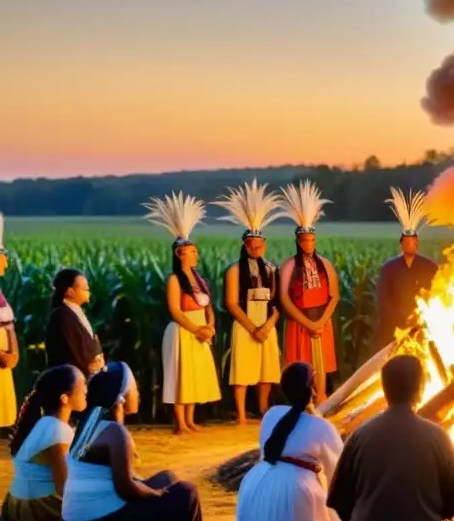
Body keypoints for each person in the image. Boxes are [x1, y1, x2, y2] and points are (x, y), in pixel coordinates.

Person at [328, 354, 454, 521]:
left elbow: (341, 501)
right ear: (420, 389)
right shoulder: (438, 436)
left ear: (384, 389)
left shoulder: (360, 435)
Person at [60, 361, 203, 521]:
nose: (137, 394)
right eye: (134, 389)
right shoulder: (115, 432)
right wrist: (154, 493)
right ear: (121, 397)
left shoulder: (87, 425)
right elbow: (125, 488)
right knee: (187, 492)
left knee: (167, 477)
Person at [237, 362, 344, 521]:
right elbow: (340, 471)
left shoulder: (270, 415)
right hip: (298, 493)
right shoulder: (321, 426)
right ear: (312, 388)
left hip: (257, 486)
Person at [145, 192, 222, 434]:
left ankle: (190, 419)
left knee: (195, 376)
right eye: (193, 251)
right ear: (181, 254)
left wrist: (209, 325)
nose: (197, 255)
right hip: (183, 330)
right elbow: (175, 311)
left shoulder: (198, 279)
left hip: (201, 330)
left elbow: (208, 305)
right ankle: (180, 422)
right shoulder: (174, 280)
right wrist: (197, 329)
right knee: (181, 375)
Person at [215, 181, 283, 425]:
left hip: (267, 322)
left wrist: (268, 325)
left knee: (267, 369)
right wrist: (252, 327)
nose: (255, 248)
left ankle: (264, 409)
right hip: (245, 324)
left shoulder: (272, 269)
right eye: (251, 245)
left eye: (259, 245)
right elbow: (231, 303)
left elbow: (277, 301)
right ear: (244, 245)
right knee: (242, 370)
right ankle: (242, 414)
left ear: (264, 245)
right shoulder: (234, 270)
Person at [1, 366, 87, 521]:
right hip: (37, 506)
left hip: (18, 502)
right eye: (82, 384)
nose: (86, 389)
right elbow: (66, 489)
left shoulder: (45, 424)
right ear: (64, 398)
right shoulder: (56, 431)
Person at [277, 180, 339, 402]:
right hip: (299, 322)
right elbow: (284, 298)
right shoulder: (289, 266)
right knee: (301, 366)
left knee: (322, 365)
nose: (309, 245)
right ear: (298, 241)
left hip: (322, 321)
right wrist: (308, 323)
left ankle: (321, 398)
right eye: (305, 240)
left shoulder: (325, 264)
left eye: (312, 240)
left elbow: (334, 296)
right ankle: (301, 402)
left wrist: (321, 322)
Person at [374, 187, 439, 351]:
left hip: (422, 326)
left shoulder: (429, 267)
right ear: (401, 244)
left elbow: (438, 292)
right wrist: (398, 320)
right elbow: (383, 299)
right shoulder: (389, 268)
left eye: (413, 242)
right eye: (407, 242)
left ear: (417, 244)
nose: (410, 245)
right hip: (394, 328)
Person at [45, 268, 105, 377]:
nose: (88, 290)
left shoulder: (75, 311)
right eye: (84, 289)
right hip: (74, 381)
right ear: (70, 291)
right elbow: (73, 352)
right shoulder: (63, 316)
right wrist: (91, 370)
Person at [0, 206, 19, 435]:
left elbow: (8, 323)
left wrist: (13, 351)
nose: (5, 262)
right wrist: (0, 354)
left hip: (2, 361)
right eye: (1, 256)